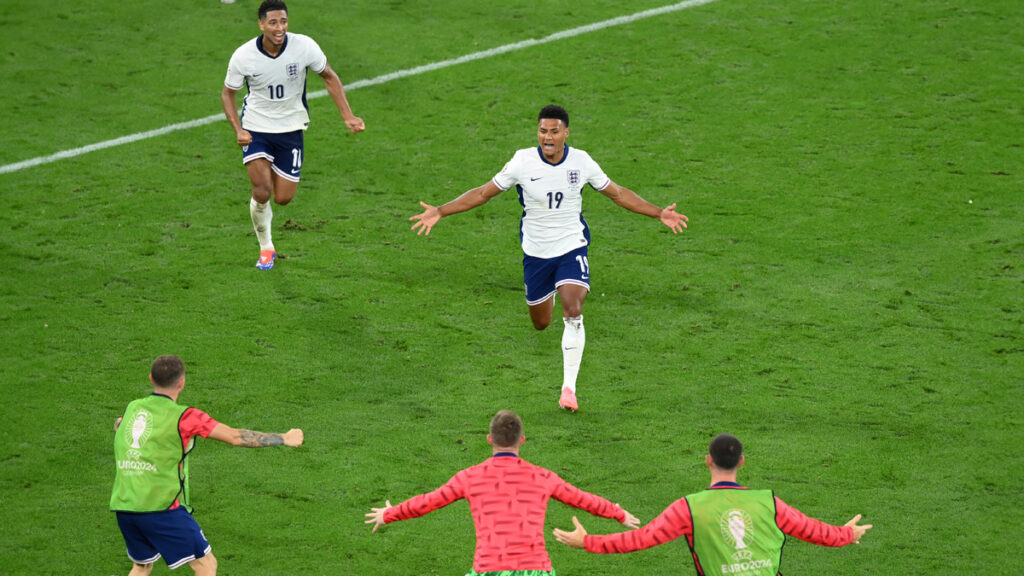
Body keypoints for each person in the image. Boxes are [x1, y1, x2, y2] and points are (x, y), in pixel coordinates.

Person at [410, 105, 688, 412]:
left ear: (566, 133)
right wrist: (441, 210)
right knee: (541, 323)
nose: (548, 137)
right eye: (543, 131)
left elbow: (618, 194)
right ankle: (553, 291)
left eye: (554, 131)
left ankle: (568, 388)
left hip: (572, 246)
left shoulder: (581, 162)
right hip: (536, 253)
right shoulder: (522, 162)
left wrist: (658, 212)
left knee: (574, 309)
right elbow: (483, 194)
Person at [365, 409, 640, 575]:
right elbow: (583, 499)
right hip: (536, 570)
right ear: (521, 440)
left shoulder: (468, 478)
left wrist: (389, 514)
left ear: (489, 440)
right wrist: (618, 513)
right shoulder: (543, 478)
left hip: (488, 570)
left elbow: (427, 502)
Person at [553, 433, 873, 575]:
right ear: (742, 462)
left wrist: (588, 542)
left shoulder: (687, 508)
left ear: (708, 461)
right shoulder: (769, 502)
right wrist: (847, 534)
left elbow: (641, 539)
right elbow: (813, 530)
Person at [110, 355, 304, 576]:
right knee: (206, 564)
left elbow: (120, 425)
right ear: (181, 383)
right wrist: (284, 438)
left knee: (142, 566)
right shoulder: (186, 417)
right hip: (161, 508)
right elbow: (235, 437)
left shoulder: (133, 408)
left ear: (151, 378)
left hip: (125, 506)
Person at [221, 0, 365, 270]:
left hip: (291, 129)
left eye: (283, 21)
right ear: (261, 24)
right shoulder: (243, 55)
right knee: (262, 191)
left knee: (283, 198)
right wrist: (238, 129)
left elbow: (330, 77)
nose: (279, 27)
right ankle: (266, 248)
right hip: (256, 128)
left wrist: (348, 115)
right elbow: (228, 93)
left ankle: (267, 208)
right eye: (273, 22)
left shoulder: (304, 46)